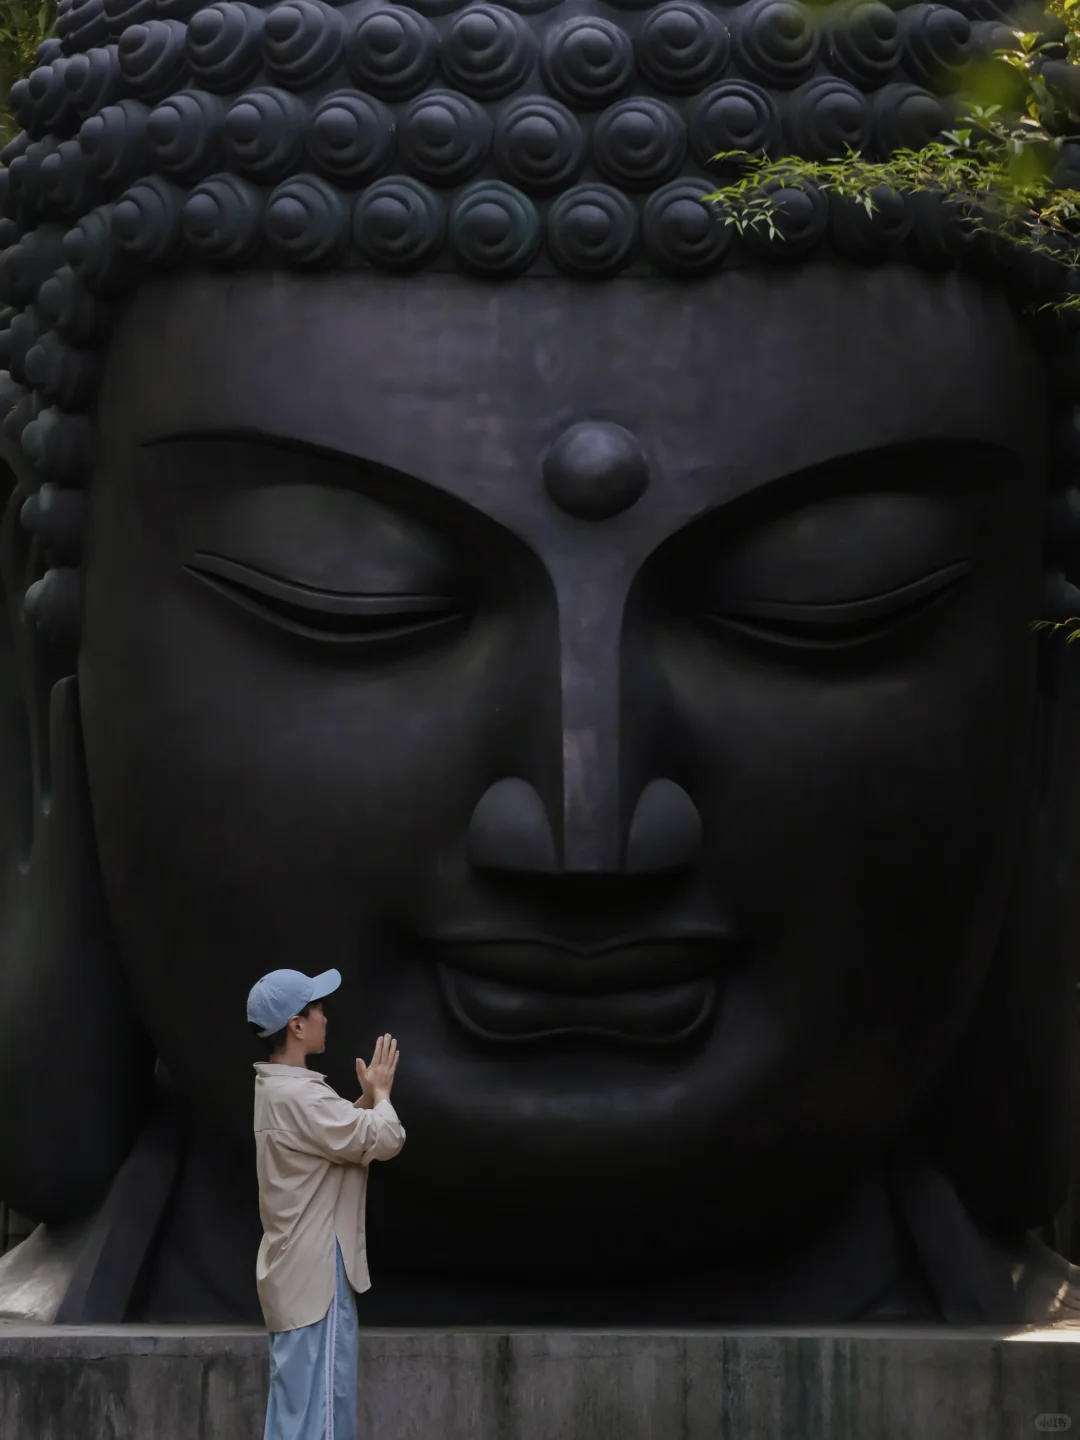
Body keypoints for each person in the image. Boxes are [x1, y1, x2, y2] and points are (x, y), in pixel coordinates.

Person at [246, 967, 405, 1440]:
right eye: (316, 1008)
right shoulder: (301, 1095)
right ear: (296, 1025)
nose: (324, 1016)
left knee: (295, 1416)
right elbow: (387, 1136)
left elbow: (329, 1139)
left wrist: (362, 1100)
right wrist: (380, 1095)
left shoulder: (277, 1091)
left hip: (292, 1273)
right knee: (322, 1419)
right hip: (317, 1277)